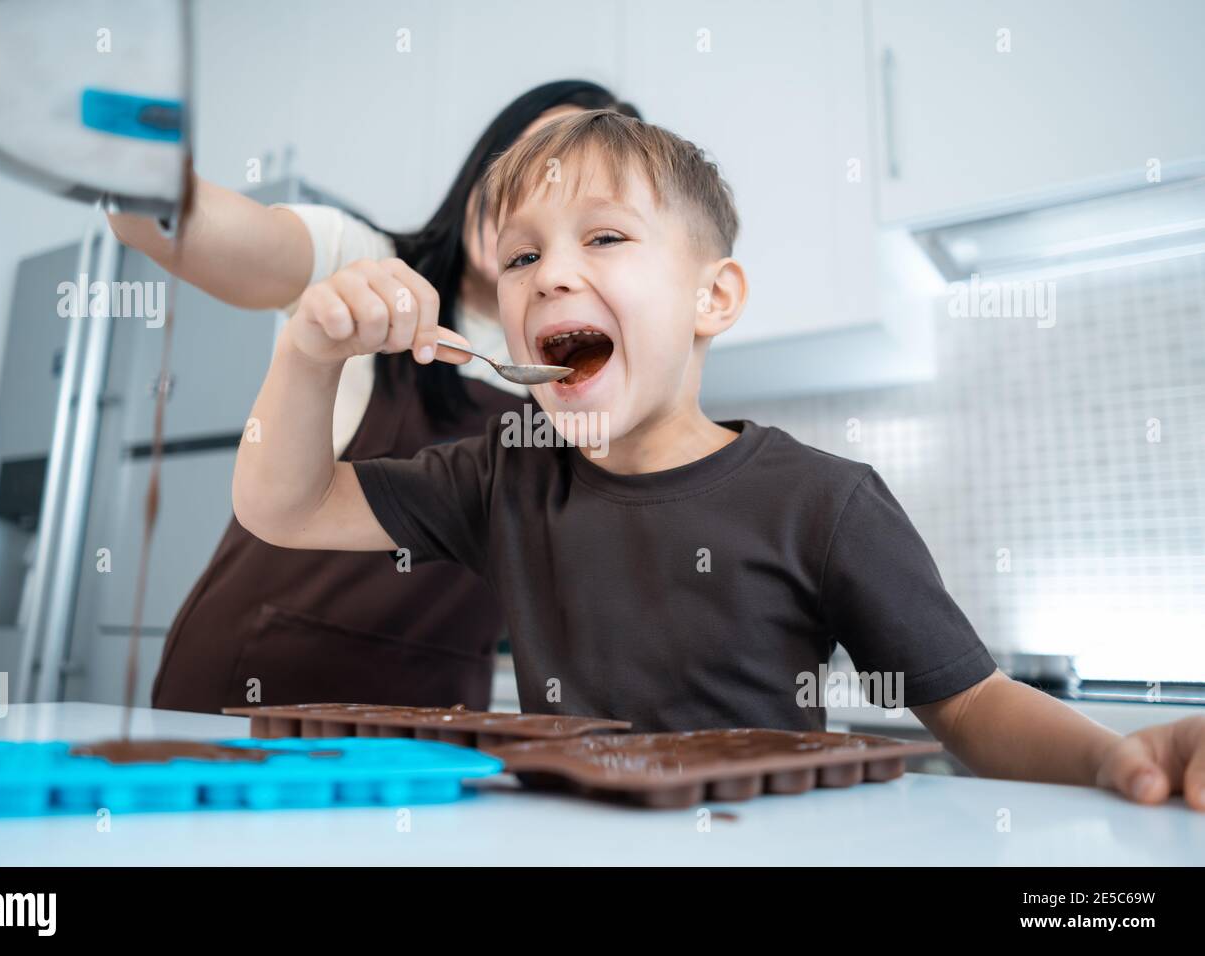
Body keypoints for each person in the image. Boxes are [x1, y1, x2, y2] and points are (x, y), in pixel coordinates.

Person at [232, 109, 1205, 810]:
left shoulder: (824, 503)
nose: (550, 274)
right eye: (520, 259)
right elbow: (288, 506)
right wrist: (304, 353)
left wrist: (1110, 756)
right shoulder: (505, 471)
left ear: (713, 298)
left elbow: (974, 708)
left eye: (603, 236)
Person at [107, 82, 640, 713]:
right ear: (481, 169)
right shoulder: (362, 262)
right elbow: (177, 227)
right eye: (524, 165)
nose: (533, 199)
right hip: (254, 692)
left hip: (437, 719)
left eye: (576, 193)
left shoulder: (595, 373)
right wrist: (136, 176)